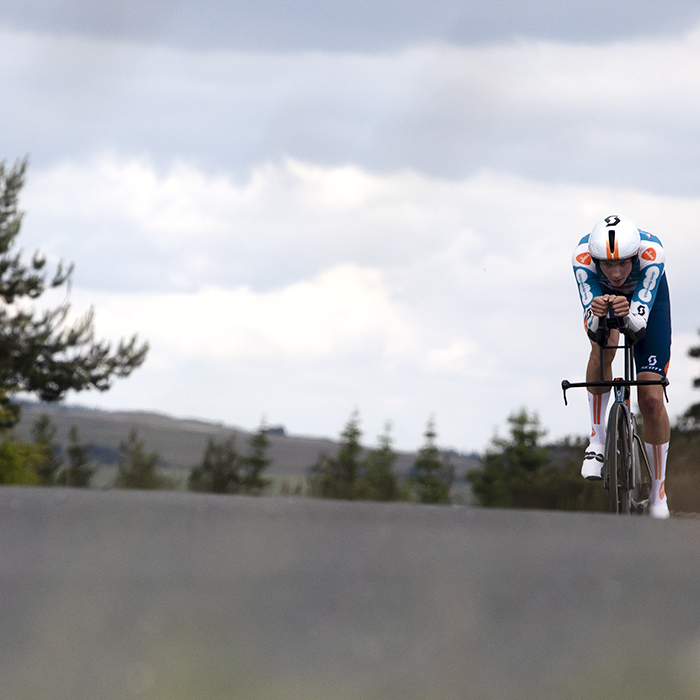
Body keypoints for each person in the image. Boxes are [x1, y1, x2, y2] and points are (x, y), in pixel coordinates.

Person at [572, 215, 671, 519]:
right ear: (596, 260)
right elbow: (591, 324)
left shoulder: (652, 254)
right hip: (604, 302)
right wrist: (597, 316)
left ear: (634, 256)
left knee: (651, 399)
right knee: (602, 347)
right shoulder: (582, 258)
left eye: (623, 264)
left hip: (646, 306)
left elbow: (639, 323)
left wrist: (627, 313)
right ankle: (597, 439)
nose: (615, 273)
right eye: (607, 265)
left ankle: (658, 492)